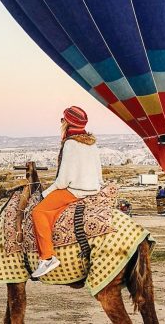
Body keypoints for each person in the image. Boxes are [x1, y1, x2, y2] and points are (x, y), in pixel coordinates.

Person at [31, 106, 102, 278]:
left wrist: (44, 194)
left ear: (68, 122)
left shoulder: (70, 144)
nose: (61, 123)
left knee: (38, 212)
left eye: (63, 120)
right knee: (52, 211)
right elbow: (99, 173)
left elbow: (62, 181)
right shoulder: (92, 143)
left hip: (74, 191)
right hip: (92, 189)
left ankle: (47, 258)